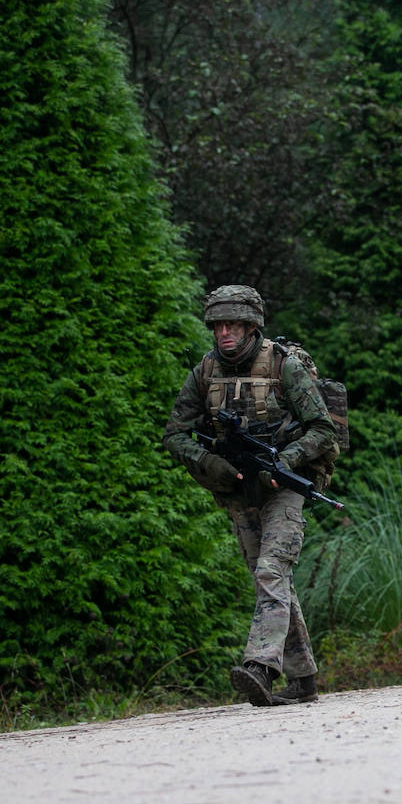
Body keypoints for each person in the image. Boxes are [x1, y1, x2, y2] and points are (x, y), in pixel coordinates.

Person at [163, 284, 338, 705]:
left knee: (271, 570)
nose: (225, 333)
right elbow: (175, 435)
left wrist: (287, 461)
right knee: (271, 578)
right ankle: (303, 679)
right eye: (218, 325)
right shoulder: (205, 371)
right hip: (239, 486)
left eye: (233, 325)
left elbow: (323, 429)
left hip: (284, 485)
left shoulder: (283, 365)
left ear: (251, 326)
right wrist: (213, 464)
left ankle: (260, 666)